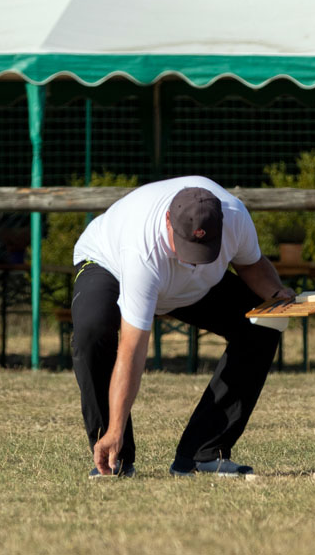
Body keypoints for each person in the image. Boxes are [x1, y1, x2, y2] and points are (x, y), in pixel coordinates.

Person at [70, 175, 295, 479]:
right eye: (188, 248)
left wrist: (277, 294)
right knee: (92, 333)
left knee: (264, 323)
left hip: (188, 289)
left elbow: (251, 265)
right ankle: (113, 455)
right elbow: (132, 350)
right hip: (108, 265)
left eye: (205, 249)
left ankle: (203, 453)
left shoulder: (236, 218)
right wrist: (115, 428)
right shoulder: (142, 251)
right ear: (167, 222)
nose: (194, 262)